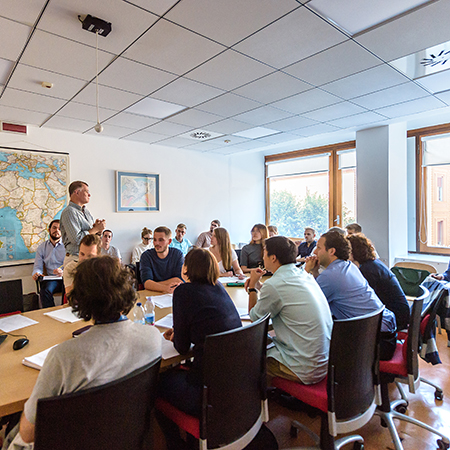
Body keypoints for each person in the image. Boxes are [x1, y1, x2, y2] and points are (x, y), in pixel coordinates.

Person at [6, 256, 161, 449]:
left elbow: (28, 434)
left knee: (14, 430)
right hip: (125, 436)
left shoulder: (64, 356)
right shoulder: (153, 337)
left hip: (72, 441)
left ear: (79, 299)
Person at [157, 248, 241, 448]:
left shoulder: (183, 291)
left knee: (156, 383)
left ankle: (176, 444)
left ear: (187, 268)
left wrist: (179, 332)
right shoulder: (219, 286)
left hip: (205, 393)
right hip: (237, 386)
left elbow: (182, 347)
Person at [246, 236, 332, 384]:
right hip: (323, 361)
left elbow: (255, 318)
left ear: (273, 258)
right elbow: (280, 296)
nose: (262, 256)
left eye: (264, 252)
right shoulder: (305, 276)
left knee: (247, 357)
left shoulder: (275, 284)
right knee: (264, 342)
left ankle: (257, 402)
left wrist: (253, 286)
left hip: (302, 367)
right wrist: (261, 286)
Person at [304, 231, 397, 360]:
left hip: (375, 342)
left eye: (319, 248)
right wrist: (315, 272)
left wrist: (306, 271)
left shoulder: (330, 276)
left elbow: (305, 302)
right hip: (385, 332)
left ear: (331, 251)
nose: (315, 252)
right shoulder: (349, 266)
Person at [348, 233, 410, 330]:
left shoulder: (367, 270)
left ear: (353, 252)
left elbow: (367, 301)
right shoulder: (372, 264)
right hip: (398, 313)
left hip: (394, 318)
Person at [60, 181, 105, 265]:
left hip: (90, 258)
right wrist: (95, 229)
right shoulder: (69, 212)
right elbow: (76, 239)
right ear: (76, 192)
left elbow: (93, 237)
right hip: (76, 258)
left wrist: (99, 231)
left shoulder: (86, 211)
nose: (89, 195)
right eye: (86, 192)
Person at [31, 219, 65, 308]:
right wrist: (36, 273)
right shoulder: (42, 247)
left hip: (65, 278)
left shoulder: (67, 246)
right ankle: (51, 313)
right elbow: (38, 266)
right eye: (54, 228)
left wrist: (63, 271)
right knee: (45, 290)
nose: (57, 230)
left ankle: (64, 312)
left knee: (72, 290)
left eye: (59, 228)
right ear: (49, 229)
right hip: (51, 279)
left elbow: (71, 264)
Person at [140, 226, 184, 293]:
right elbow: (147, 283)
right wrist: (166, 288)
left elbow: (179, 280)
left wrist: (154, 285)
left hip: (171, 295)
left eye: (161, 240)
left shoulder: (178, 254)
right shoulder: (146, 256)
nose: (156, 243)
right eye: (154, 240)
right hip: (152, 295)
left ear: (169, 241)